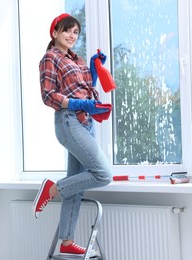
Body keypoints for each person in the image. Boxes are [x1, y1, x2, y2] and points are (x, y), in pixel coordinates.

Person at [33, 13, 113, 256]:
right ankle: (52, 189)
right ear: (55, 32)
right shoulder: (50, 57)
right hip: (69, 122)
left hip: (85, 122)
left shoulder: (75, 59)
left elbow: (85, 88)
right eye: (67, 30)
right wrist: (80, 105)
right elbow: (48, 96)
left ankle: (66, 240)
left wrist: (93, 68)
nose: (71, 35)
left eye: (76, 32)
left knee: (76, 185)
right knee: (103, 174)